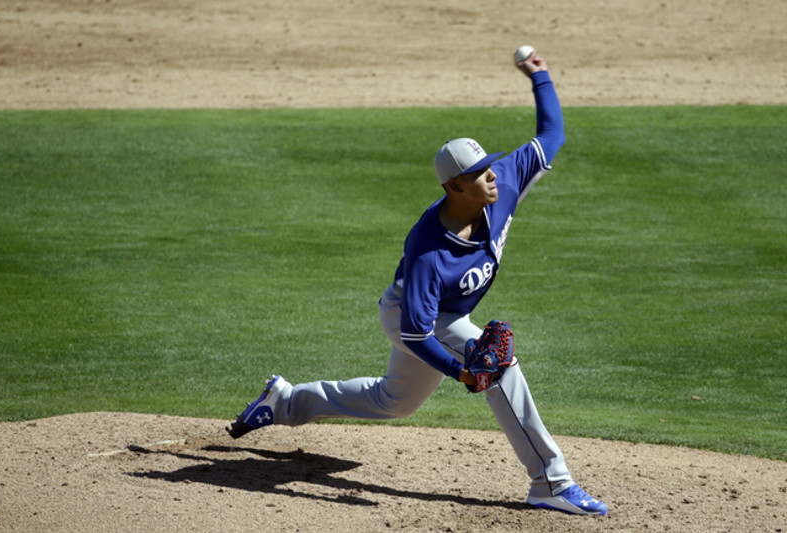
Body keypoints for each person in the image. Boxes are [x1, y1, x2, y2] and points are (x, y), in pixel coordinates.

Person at [227, 49, 607, 516]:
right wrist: (460, 372)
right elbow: (415, 333)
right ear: (453, 188)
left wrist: (540, 75)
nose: (491, 176)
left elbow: (553, 134)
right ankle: (551, 481)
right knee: (500, 369)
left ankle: (285, 401)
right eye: (477, 174)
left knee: (394, 402)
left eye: (489, 166)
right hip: (413, 315)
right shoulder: (429, 251)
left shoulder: (502, 182)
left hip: (444, 315)